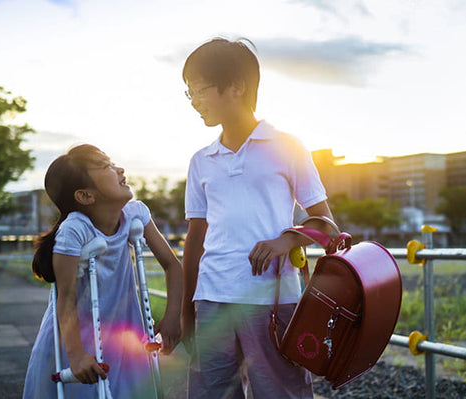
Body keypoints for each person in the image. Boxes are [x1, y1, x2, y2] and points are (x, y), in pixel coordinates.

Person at [181, 38, 335, 399]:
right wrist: (187, 309)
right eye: (188, 93)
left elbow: (327, 226)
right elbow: (195, 239)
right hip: (212, 300)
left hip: (272, 300)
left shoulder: (288, 146)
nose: (194, 102)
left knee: (281, 392)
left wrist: (286, 239)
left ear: (236, 87)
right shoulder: (201, 160)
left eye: (198, 90)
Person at [23, 144, 182, 399]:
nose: (119, 169)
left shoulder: (134, 214)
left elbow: (172, 265)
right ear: (86, 196)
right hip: (77, 338)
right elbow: (66, 297)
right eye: (106, 167)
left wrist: (174, 316)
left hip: (122, 333)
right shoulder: (75, 229)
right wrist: (75, 355)